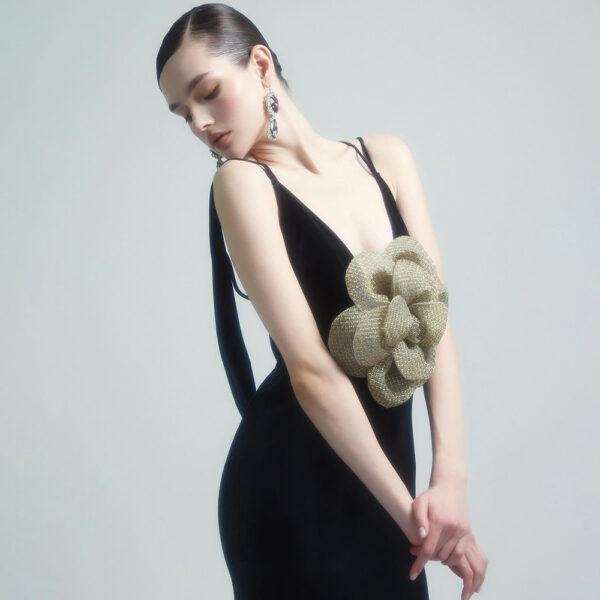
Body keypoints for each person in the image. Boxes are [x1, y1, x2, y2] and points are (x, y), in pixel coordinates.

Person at [156, 4, 487, 599]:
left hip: (393, 481)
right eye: (183, 114)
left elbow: (434, 324)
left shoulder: (386, 158)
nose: (201, 124)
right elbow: (311, 373)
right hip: (294, 487)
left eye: (208, 94)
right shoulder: (241, 183)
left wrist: (451, 483)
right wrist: (416, 518)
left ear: (260, 66)